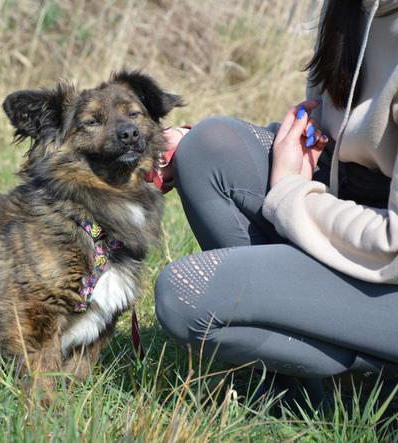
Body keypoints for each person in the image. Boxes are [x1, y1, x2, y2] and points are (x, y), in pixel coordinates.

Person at [152, 0, 398, 406]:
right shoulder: (350, 7)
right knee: (207, 149)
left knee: (185, 295)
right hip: (353, 218)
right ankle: (295, 386)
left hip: (389, 264)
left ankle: (371, 386)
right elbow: (341, 146)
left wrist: (290, 194)